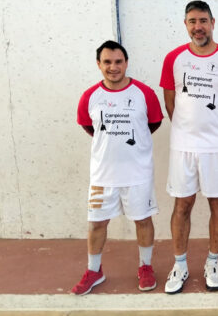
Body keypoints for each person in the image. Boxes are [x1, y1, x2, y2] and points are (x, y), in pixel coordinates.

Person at [159, 0, 218, 294]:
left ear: (213, 23)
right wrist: (186, 128)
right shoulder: (173, 59)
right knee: (182, 204)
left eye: (203, 21)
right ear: (186, 25)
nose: (198, 27)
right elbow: (170, 100)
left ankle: (212, 262)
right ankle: (180, 264)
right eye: (193, 21)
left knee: (217, 203)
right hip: (183, 147)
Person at [73, 40, 164, 295]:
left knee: (143, 220)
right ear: (99, 65)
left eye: (118, 62)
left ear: (126, 63)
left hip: (138, 173)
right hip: (103, 175)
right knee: (96, 224)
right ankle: (94, 270)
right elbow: (88, 126)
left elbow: (153, 123)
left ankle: (145, 267)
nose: (113, 67)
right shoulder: (90, 97)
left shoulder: (144, 94)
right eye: (107, 62)